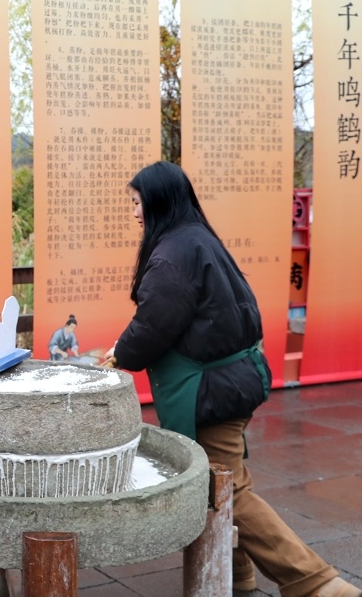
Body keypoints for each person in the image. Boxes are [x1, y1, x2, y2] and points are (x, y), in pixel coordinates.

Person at [106, 161, 361, 597]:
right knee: (225, 477)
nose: (134, 214)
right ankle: (236, 572)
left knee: (227, 487)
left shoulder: (172, 253)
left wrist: (121, 354)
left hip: (213, 389)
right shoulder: (196, 239)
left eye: (137, 203)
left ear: (160, 201)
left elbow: (154, 322)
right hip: (234, 378)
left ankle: (316, 581)